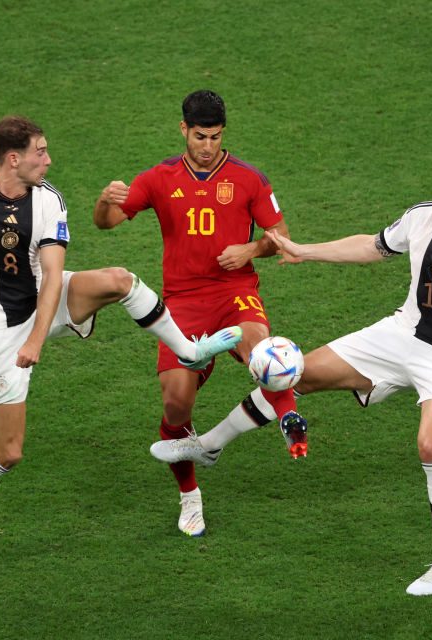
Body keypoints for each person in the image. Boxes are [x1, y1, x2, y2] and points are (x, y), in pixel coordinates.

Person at [0, 115, 242, 568]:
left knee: (118, 280)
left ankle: (189, 350)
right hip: (0, 334)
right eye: (41, 152)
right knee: (8, 452)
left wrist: (38, 337)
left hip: (45, 301)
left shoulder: (48, 198)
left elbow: (53, 275)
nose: (49, 160)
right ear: (14, 159)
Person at [151, 144, 432, 595]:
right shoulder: (424, 215)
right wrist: (303, 251)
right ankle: (209, 446)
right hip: (403, 334)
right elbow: (373, 247)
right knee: (295, 374)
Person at [93, 90, 307, 538]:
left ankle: (290, 418)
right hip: (183, 302)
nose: (207, 147)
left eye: (215, 137)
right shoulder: (159, 178)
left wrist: (251, 249)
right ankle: (190, 494)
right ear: (183, 130)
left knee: (262, 350)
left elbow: (281, 237)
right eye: (199, 137)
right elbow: (106, 222)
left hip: (234, 291)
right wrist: (105, 199)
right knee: (176, 405)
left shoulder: (248, 178)